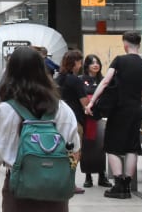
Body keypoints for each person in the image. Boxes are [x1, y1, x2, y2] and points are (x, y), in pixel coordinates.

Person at [0, 46, 81, 212]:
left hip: (19, 193)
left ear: (10, 73)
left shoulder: (4, 110)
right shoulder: (62, 108)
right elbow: (75, 151)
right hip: (56, 194)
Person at [84, 31, 142, 199]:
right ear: (139, 45)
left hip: (120, 109)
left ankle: (118, 186)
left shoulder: (120, 60)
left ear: (125, 45)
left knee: (112, 146)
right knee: (132, 147)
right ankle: (127, 186)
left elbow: (105, 81)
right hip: (135, 110)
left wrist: (92, 102)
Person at [56, 49, 87, 194]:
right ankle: (70, 183)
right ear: (74, 63)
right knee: (74, 152)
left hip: (57, 120)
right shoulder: (75, 80)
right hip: (75, 120)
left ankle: (59, 181)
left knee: (59, 151)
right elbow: (84, 103)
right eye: (79, 62)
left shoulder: (58, 78)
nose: (80, 65)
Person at [79, 54, 111, 188]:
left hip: (100, 118)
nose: (95, 65)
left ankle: (102, 175)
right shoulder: (80, 80)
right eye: (92, 63)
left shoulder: (104, 80)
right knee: (87, 147)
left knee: (101, 147)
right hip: (86, 117)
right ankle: (88, 176)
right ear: (86, 65)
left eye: (97, 62)